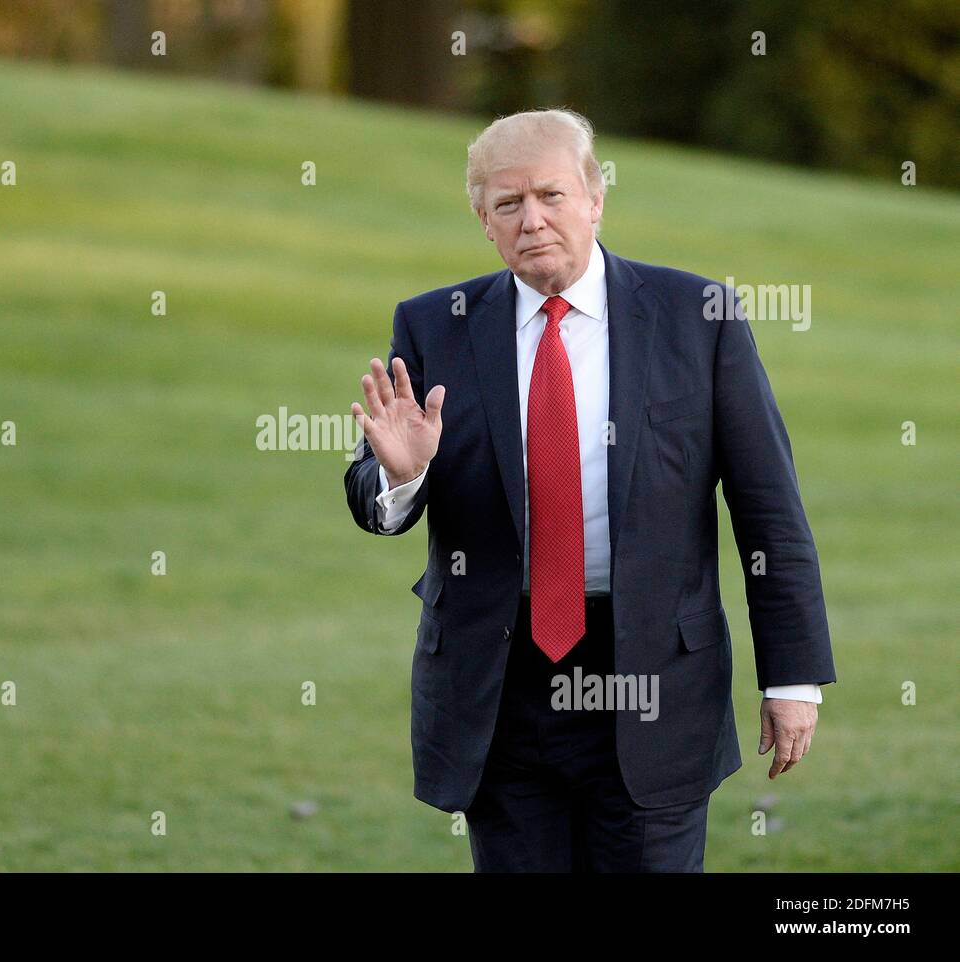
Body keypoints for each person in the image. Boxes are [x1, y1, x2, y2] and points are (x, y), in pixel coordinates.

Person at [343, 108, 836, 872]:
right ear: (483, 221)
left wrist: (793, 677)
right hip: (499, 687)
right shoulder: (434, 326)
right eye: (508, 204)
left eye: (552, 195)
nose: (532, 220)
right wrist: (404, 476)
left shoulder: (696, 317)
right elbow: (372, 490)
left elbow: (769, 510)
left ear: (596, 197)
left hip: (655, 679)